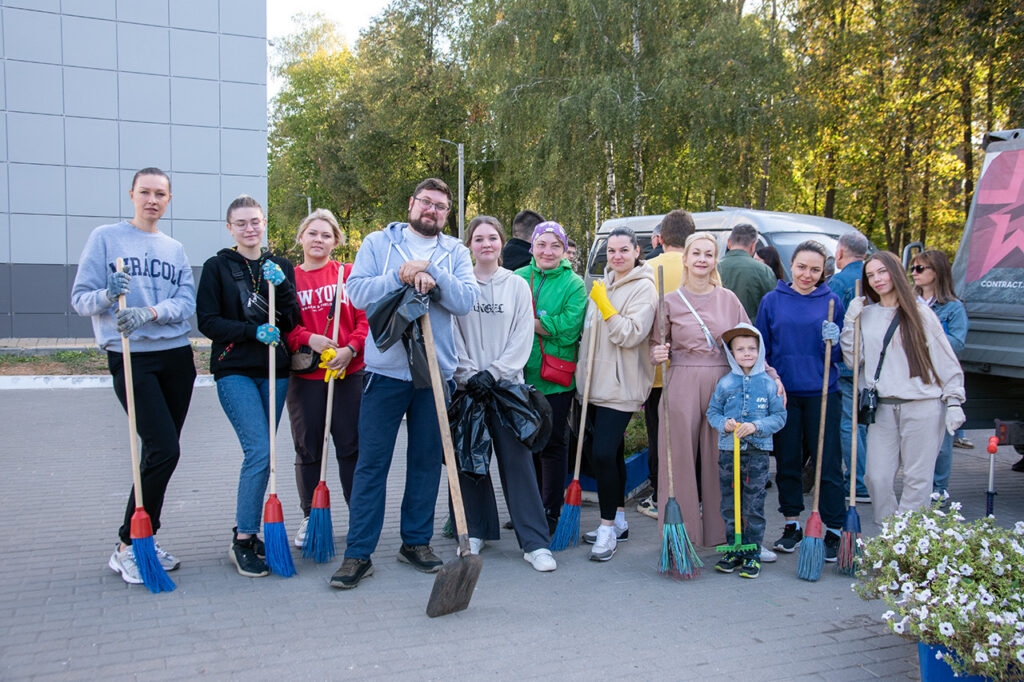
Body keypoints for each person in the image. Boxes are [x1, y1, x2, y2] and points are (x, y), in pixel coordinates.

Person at [330, 178, 478, 589]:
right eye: (426, 203)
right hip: (385, 373)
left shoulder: (455, 252)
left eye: (441, 207)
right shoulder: (379, 243)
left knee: (427, 462)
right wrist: (400, 276)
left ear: (447, 214)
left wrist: (435, 277)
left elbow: (465, 301)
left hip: (436, 373)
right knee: (372, 463)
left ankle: (415, 542)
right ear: (411, 203)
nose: (432, 210)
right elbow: (357, 292)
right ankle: (358, 554)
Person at [71, 167, 197, 585]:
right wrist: (108, 295)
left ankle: (144, 538)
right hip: (131, 356)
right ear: (131, 195)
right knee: (164, 449)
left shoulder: (174, 248)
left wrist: (151, 311)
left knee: (159, 452)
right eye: (145, 192)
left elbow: (185, 301)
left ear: (169, 199)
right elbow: (80, 299)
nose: (152, 200)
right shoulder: (106, 238)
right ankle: (128, 544)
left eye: (160, 193)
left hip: (176, 357)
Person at [650, 232, 785, 548]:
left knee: (722, 459)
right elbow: (655, 344)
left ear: (715, 260)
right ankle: (681, 535)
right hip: (681, 380)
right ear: (685, 258)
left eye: (708, 254)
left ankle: (722, 533)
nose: (701, 259)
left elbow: (749, 345)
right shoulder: (668, 300)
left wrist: (772, 375)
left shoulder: (729, 299)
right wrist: (657, 352)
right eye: (695, 253)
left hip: (724, 384)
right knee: (677, 459)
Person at [196, 195, 300, 578]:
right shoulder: (217, 268)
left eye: (255, 221)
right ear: (230, 228)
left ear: (264, 222)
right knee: (259, 449)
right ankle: (243, 539)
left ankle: (251, 532)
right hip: (234, 369)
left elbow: (292, 319)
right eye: (241, 223)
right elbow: (207, 321)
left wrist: (283, 287)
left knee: (266, 455)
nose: (249, 229)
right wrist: (251, 331)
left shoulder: (280, 266)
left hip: (276, 372)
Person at [451, 216, 556, 572]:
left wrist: (493, 373)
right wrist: (469, 373)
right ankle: (475, 530)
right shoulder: (459, 285)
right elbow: (452, 333)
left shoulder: (515, 285)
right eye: (478, 238)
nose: (486, 244)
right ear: (470, 245)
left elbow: (522, 335)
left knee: (518, 464)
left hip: (505, 389)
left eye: (492, 238)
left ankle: (535, 542)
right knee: (471, 461)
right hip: (469, 388)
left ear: (501, 243)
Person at [842, 251, 965, 522]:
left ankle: (906, 540)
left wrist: (954, 400)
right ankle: (889, 530)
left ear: (895, 272)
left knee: (917, 479)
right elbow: (853, 361)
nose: (877, 279)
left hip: (922, 406)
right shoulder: (867, 314)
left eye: (882, 272)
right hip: (882, 407)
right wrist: (850, 322)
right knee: (877, 476)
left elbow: (945, 359)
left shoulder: (920, 313)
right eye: (871, 275)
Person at [755, 240, 845, 560]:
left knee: (828, 462)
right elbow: (760, 348)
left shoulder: (832, 301)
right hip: (784, 394)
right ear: (791, 266)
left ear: (824, 273)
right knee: (788, 460)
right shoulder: (772, 301)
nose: (807, 274)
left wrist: (834, 343)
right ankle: (792, 524)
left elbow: (840, 355)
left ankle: (833, 528)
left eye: (815, 270)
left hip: (823, 392)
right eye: (802, 267)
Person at [284, 209, 368, 548]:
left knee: (351, 448)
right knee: (309, 449)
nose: (319, 240)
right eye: (313, 233)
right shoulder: (288, 280)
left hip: (348, 373)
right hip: (306, 377)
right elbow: (284, 328)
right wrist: (309, 339)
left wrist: (350, 347)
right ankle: (311, 517)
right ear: (301, 237)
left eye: (326, 235)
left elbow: (365, 321)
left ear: (336, 242)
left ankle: (359, 519)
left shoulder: (348, 274)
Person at [577, 227, 657, 560]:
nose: (617, 256)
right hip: (596, 386)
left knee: (601, 455)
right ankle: (620, 520)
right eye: (611, 251)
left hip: (621, 387)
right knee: (613, 454)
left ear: (637, 251)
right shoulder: (603, 284)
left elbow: (629, 334)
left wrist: (606, 305)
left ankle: (607, 529)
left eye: (624, 250)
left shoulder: (645, 289)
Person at [516, 221, 587, 533]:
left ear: (563, 250)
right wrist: (545, 323)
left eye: (555, 245)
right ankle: (529, 507)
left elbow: (569, 329)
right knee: (526, 444)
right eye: (542, 244)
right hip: (517, 375)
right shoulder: (517, 278)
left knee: (553, 445)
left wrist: (528, 322)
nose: (547, 251)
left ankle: (550, 510)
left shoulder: (574, 285)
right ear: (532, 247)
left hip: (556, 378)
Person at [706, 324, 787, 579]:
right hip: (729, 452)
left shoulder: (768, 384)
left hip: (757, 454)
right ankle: (734, 549)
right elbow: (713, 413)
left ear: (760, 350)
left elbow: (780, 416)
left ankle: (752, 552)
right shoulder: (725, 383)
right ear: (731, 353)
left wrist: (756, 426)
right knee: (730, 504)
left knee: (753, 503)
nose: (747, 353)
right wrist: (724, 424)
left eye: (752, 348)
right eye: (740, 349)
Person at [638, 209, 694, 521]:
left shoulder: (648, 267)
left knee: (659, 435)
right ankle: (692, 495)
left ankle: (660, 496)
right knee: (689, 436)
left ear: (661, 238)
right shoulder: (700, 266)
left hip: (655, 369)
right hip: (691, 370)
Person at [910, 250, 969, 496]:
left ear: (937, 272)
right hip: (913, 378)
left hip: (941, 379)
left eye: (920, 269)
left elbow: (957, 342)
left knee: (942, 443)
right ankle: (919, 490)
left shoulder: (953, 308)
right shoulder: (910, 302)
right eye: (913, 268)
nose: (914, 273)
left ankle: (939, 491)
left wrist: (928, 341)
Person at [828, 231, 871, 503]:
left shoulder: (839, 281)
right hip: (873, 364)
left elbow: (828, 318)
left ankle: (857, 483)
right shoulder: (876, 277)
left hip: (846, 364)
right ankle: (866, 479)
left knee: (848, 425)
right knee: (864, 424)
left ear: (840, 253)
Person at [718, 223, 777, 321]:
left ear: (729, 243)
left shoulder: (713, 268)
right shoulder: (764, 270)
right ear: (753, 245)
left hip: (718, 332)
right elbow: (774, 307)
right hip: (752, 332)